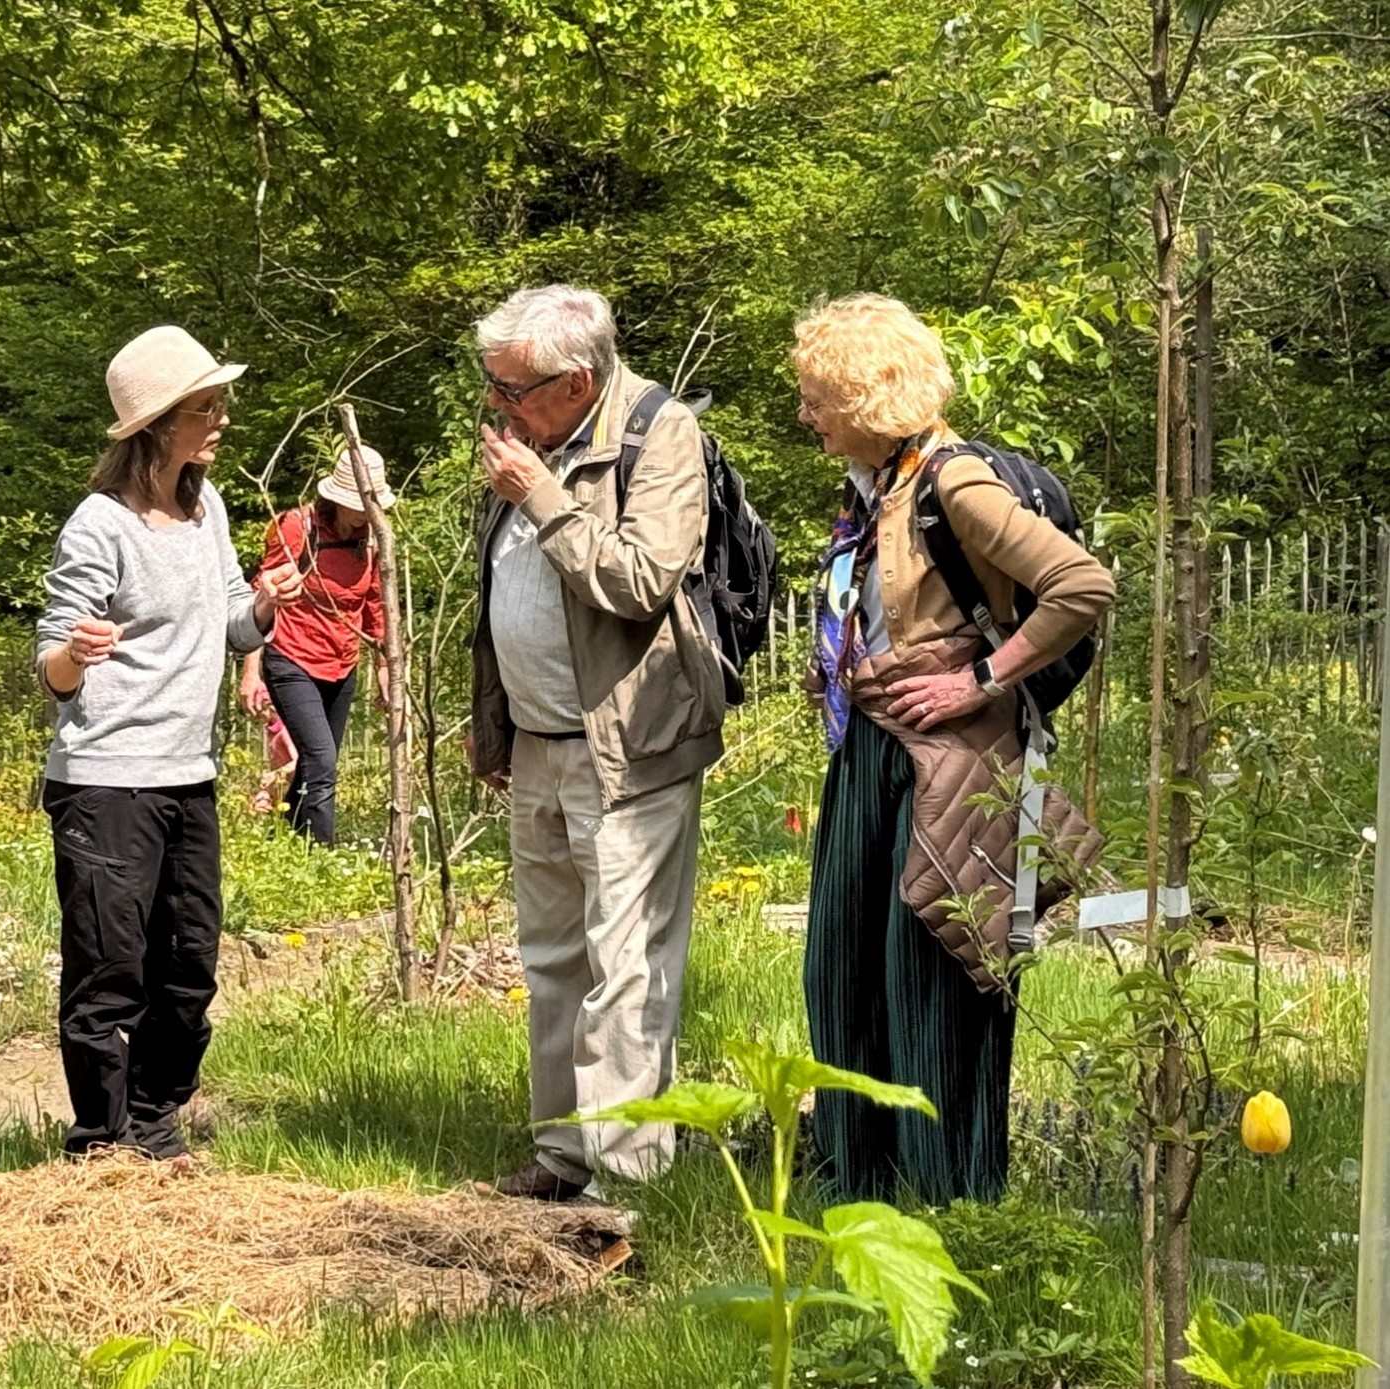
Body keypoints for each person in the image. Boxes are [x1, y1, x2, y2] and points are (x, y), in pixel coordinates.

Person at [794, 293, 1114, 1204]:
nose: (805, 413)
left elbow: (1078, 586)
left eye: (817, 395)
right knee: (843, 965)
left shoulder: (951, 480)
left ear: (863, 395)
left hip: (947, 758)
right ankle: (857, 1179)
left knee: (930, 971)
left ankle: (949, 1198)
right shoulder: (877, 486)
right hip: (873, 750)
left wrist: (979, 680)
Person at [467, 285, 726, 1201]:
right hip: (539, 741)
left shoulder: (657, 435)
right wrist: (494, 725)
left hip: (627, 743)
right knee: (550, 960)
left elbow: (638, 580)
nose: (498, 405)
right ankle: (562, 1153)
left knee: (625, 966)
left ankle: (623, 1182)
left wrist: (540, 497)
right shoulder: (532, 440)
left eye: (511, 388)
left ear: (574, 380)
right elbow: (500, 598)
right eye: (493, 386)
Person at [36, 324, 305, 1161]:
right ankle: (101, 1142)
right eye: (204, 407)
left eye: (219, 403)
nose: (221, 419)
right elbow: (48, 667)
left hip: (188, 775)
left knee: (187, 967)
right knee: (109, 969)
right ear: (157, 423)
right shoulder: (97, 525)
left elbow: (231, 623)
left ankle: (156, 1121)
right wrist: (75, 655)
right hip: (106, 777)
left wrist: (264, 603)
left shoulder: (207, 505)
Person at [235, 445, 391, 845]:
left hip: (342, 663)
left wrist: (385, 667)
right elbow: (262, 598)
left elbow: (375, 605)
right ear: (338, 498)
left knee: (317, 762)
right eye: (360, 504)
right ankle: (325, 853)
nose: (365, 513)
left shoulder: (373, 539)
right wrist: (251, 673)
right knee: (322, 761)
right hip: (292, 659)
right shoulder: (297, 527)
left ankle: (289, 842)